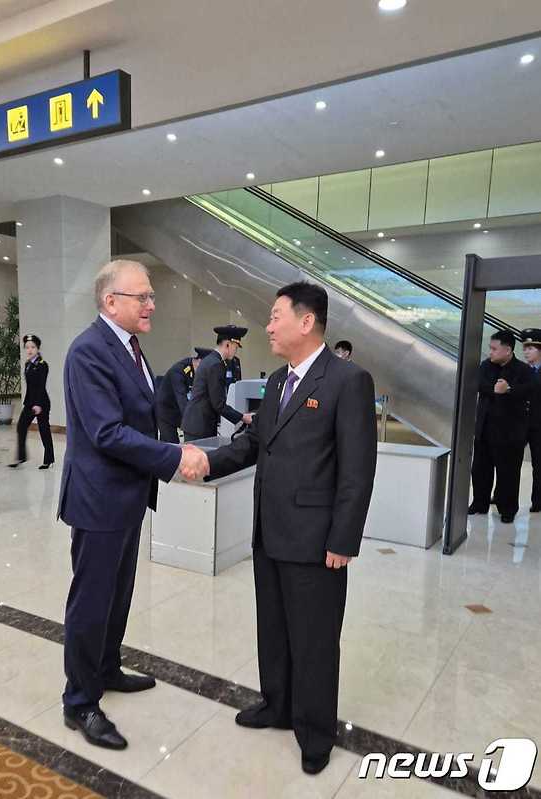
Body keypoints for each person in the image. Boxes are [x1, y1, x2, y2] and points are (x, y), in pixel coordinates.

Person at [180, 282, 377, 775]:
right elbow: (253, 444)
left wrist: (343, 540)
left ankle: (315, 731)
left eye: (274, 317)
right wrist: (206, 460)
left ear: (306, 321)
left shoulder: (347, 381)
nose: (266, 327)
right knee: (274, 629)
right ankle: (277, 704)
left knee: (313, 639)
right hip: (269, 533)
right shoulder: (278, 380)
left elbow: (358, 470)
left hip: (316, 542)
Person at [58, 259, 204, 751]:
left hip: (127, 494)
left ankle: (106, 668)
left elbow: (144, 415)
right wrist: (174, 457)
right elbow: (107, 432)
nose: (151, 304)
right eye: (141, 296)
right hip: (98, 499)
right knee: (91, 599)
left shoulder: (130, 346)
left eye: (150, 296)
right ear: (110, 301)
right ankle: (79, 701)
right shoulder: (88, 352)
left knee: (118, 593)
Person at [469, 330, 532, 524]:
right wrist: (499, 390)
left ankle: (507, 509)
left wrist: (509, 390)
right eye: (490, 348)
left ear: (508, 350)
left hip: (510, 434)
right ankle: (480, 503)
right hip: (485, 430)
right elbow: (481, 384)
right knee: (480, 470)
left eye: (494, 349)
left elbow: (528, 391)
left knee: (508, 474)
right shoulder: (486, 366)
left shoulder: (523, 370)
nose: (491, 352)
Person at [181, 325, 252, 441]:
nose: (236, 351)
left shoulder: (210, 360)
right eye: (236, 347)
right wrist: (243, 417)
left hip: (196, 424)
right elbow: (218, 404)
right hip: (201, 426)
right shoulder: (216, 365)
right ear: (228, 344)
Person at [8, 334, 55, 469]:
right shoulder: (28, 364)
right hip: (29, 402)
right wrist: (30, 402)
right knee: (21, 427)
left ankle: (49, 459)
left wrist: (38, 404)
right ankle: (21, 457)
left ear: (38, 348)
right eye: (27, 347)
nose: (29, 350)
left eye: (33, 347)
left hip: (41, 403)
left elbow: (41, 385)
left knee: (43, 429)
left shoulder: (42, 365)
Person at [156, 347, 213, 443]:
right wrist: (192, 424)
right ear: (200, 362)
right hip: (166, 412)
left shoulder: (200, 373)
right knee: (171, 444)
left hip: (181, 411)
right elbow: (182, 400)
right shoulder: (178, 371)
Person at [521, 328, 541, 512]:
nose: (526, 351)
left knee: (539, 465)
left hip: (539, 426)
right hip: (519, 425)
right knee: (508, 462)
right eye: (525, 347)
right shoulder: (520, 370)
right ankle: (502, 496)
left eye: (531, 347)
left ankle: (538, 501)